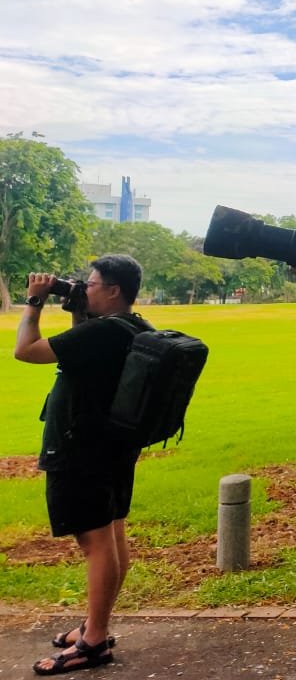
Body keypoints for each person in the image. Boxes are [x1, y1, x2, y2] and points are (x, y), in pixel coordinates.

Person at [15, 255, 149, 676]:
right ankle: (96, 627)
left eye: (90, 284)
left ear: (112, 290)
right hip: (112, 447)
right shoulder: (132, 325)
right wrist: (77, 308)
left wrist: (35, 302)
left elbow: (26, 350)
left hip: (80, 448)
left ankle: (93, 642)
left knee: (95, 545)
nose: (83, 288)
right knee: (111, 534)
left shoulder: (105, 331)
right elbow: (82, 357)